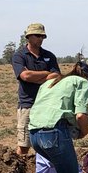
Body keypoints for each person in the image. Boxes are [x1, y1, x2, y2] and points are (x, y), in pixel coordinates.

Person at [12, 22, 61, 157]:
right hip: (28, 104)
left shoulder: (49, 56)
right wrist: (46, 74)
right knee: (23, 145)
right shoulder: (20, 55)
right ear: (28, 37)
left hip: (46, 105)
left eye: (42, 36)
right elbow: (25, 76)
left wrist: (34, 76)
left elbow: (56, 76)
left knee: (47, 145)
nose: (40, 39)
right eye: (37, 35)